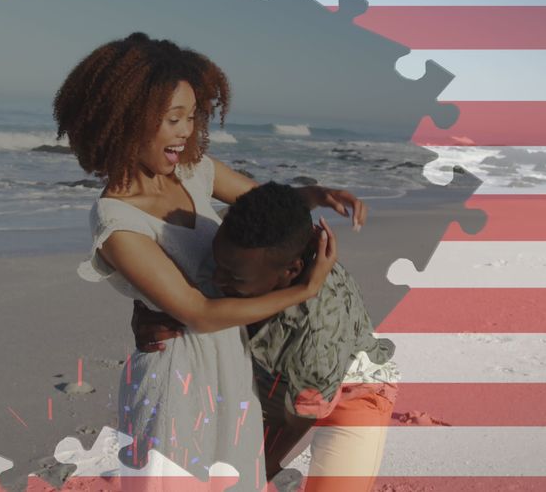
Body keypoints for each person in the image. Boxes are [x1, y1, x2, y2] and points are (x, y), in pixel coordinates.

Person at [54, 32, 366, 491]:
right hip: (174, 375)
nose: (186, 130)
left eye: (192, 116)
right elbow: (197, 312)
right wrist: (301, 290)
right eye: (173, 118)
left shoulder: (194, 170)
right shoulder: (117, 222)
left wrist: (314, 195)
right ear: (123, 119)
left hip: (231, 363)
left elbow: (263, 204)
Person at [133, 182, 399, 492]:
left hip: (352, 390)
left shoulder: (317, 329)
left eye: (233, 277)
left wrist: (257, 470)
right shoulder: (238, 242)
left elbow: (297, 418)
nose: (217, 279)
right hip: (271, 378)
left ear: (290, 272)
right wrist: (149, 314)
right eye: (219, 264)